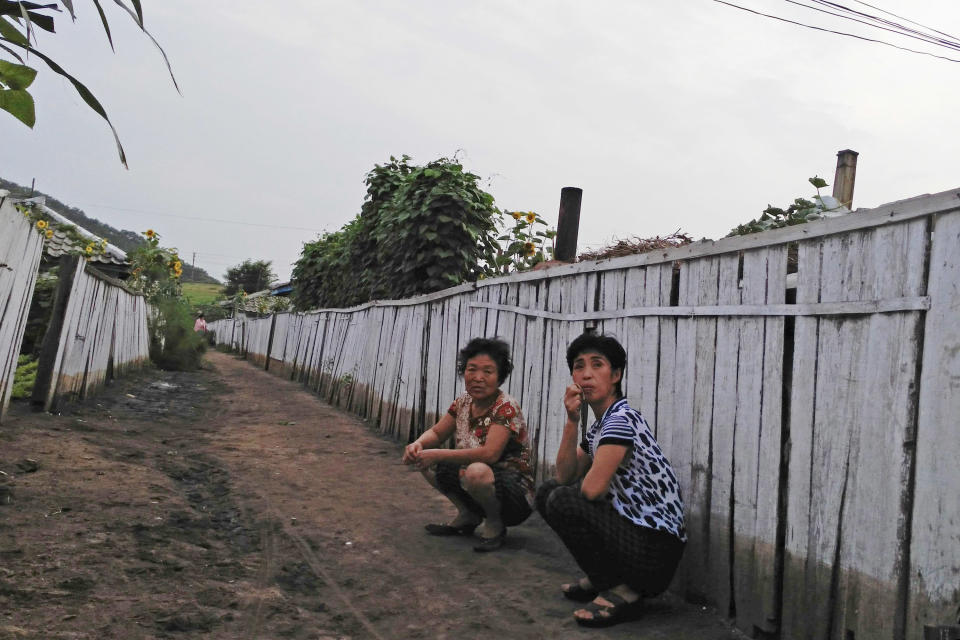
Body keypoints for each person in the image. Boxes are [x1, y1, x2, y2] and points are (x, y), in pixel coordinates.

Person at [536, 333, 686, 628]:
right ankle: (603, 579)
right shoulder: (600, 426)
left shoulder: (620, 420)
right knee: (548, 491)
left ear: (616, 375)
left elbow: (591, 490)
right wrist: (571, 419)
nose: (586, 374)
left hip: (654, 553)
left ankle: (622, 591)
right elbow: (564, 475)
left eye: (597, 365)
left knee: (564, 499)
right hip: (636, 540)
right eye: (579, 367)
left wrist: (586, 487)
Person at [402, 337, 534, 552]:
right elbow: (436, 432)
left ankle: (495, 523)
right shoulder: (463, 402)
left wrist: (438, 454)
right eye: (472, 369)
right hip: (476, 481)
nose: (478, 378)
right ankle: (468, 514)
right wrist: (417, 444)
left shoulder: (506, 407)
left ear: (500, 377)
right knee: (425, 456)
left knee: (476, 471)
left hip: (514, 493)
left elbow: (490, 454)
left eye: (488, 372)